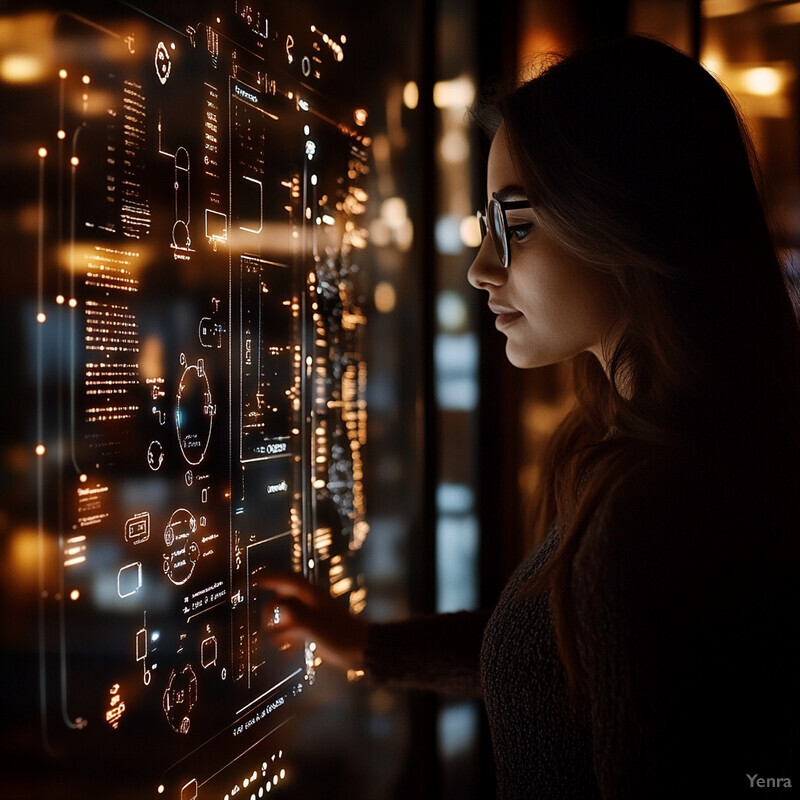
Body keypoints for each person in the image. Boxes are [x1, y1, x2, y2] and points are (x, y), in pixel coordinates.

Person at [261, 35, 800, 798]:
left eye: (516, 225)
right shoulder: (667, 452)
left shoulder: (653, 509)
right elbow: (566, 657)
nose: (483, 269)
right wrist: (365, 646)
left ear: (626, 220)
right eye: (486, 225)